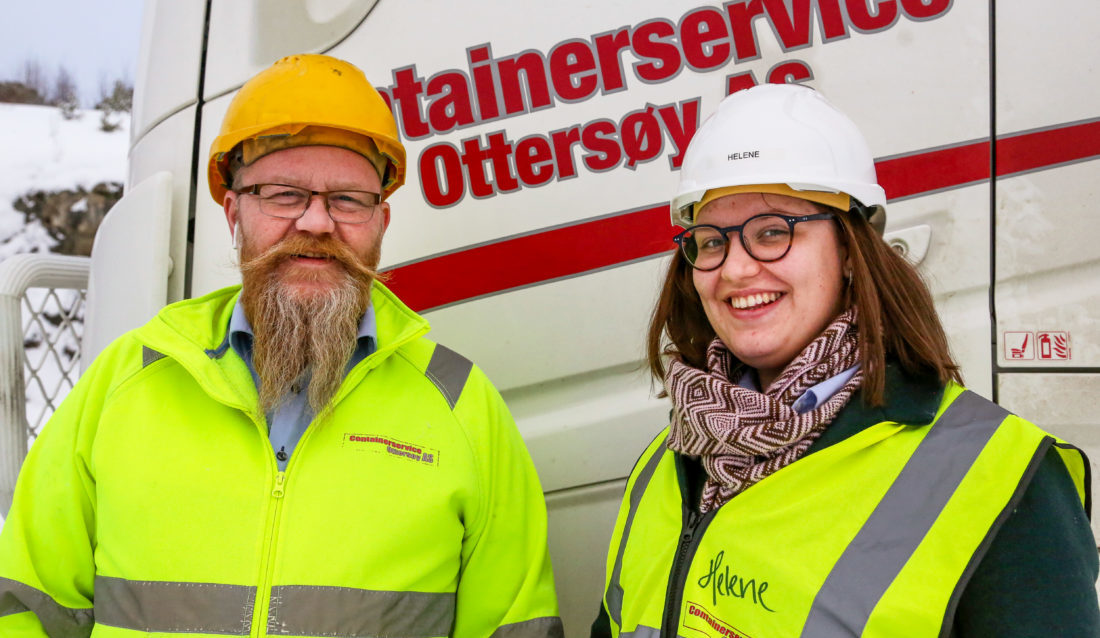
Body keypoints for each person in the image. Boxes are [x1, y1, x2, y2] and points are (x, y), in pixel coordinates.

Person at [0, 54, 562, 638]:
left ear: (382, 221)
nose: (318, 223)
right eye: (284, 194)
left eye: (348, 199)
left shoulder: (461, 407)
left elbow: (514, 629)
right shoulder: (126, 382)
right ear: (232, 211)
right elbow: (25, 607)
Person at [592, 84, 1099, 637]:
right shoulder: (664, 464)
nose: (734, 270)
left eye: (771, 232)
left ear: (851, 252)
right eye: (711, 240)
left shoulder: (1003, 483)